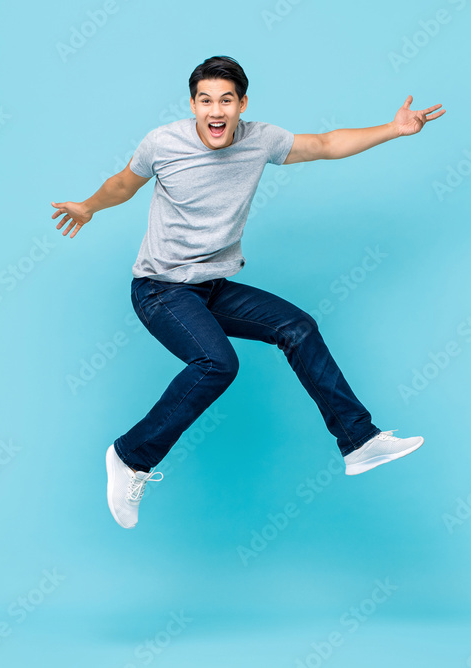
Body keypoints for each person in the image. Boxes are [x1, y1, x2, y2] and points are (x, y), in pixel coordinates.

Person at [51, 55, 445, 529]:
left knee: (297, 327)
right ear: (193, 104)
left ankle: (358, 442)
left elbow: (324, 144)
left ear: (241, 105)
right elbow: (122, 184)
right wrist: (89, 206)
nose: (215, 111)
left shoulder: (261, 139)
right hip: (160, 290)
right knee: (217, 363)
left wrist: (393, 129)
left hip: (211, 287)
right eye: (205, 101)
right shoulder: (163, 143)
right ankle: (131, 456)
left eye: (226, 101)